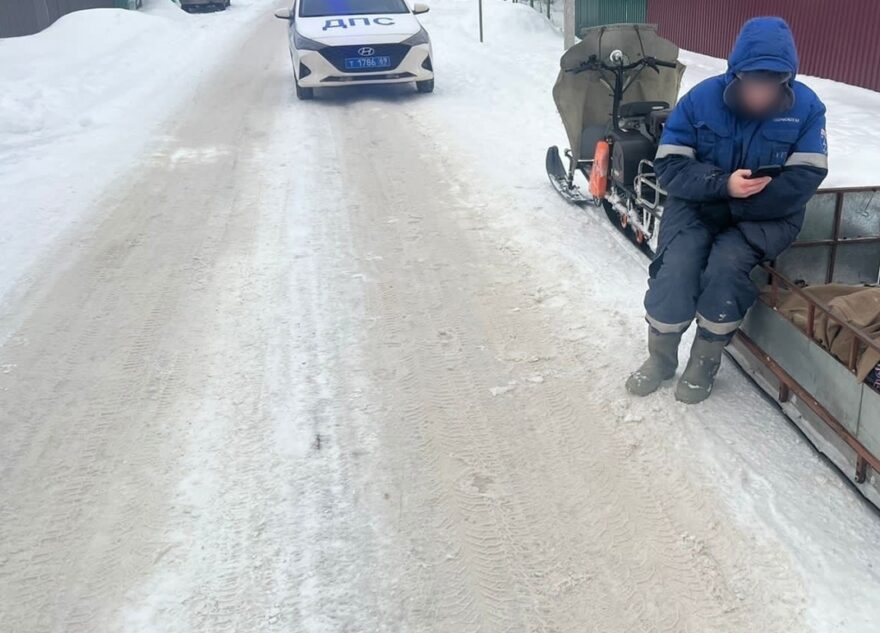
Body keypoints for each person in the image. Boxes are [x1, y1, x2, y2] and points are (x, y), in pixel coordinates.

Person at [626, 16, 828, 404]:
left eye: (771, 84)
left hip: (767, 215)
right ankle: (661, 359)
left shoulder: (807, 109)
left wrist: (734, 204)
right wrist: (722, 185)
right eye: (753, 82)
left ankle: (704, 362)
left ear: (787, 80)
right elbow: (670, 166)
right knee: (678, 266)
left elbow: (805, 178)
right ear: (736, 73)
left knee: (726, 267)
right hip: (699, 204)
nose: (760, 93)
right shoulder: (701, 100)